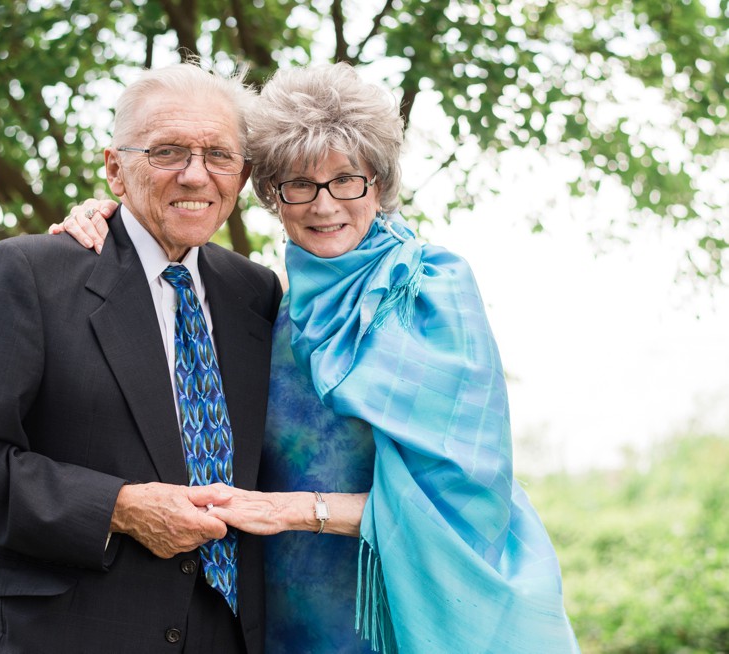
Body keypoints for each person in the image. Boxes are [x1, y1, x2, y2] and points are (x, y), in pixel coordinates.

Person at [56, 62, 579, 653]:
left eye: (346, 179)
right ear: (272, 196)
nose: (323, 204)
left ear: (378, 184)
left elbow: (465, 497)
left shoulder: (432, 288)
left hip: (402, 616)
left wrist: (296, 512)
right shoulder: (268, 306)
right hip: (283, 620)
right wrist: (113, 212)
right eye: (299, 184)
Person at [0, 62, 283, 653]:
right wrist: (121, 507)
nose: (197, 176)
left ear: (241, 176)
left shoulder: (257, 293)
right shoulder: (30, 273)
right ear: (115, 168)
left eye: (219, 155)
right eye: (168, 152)